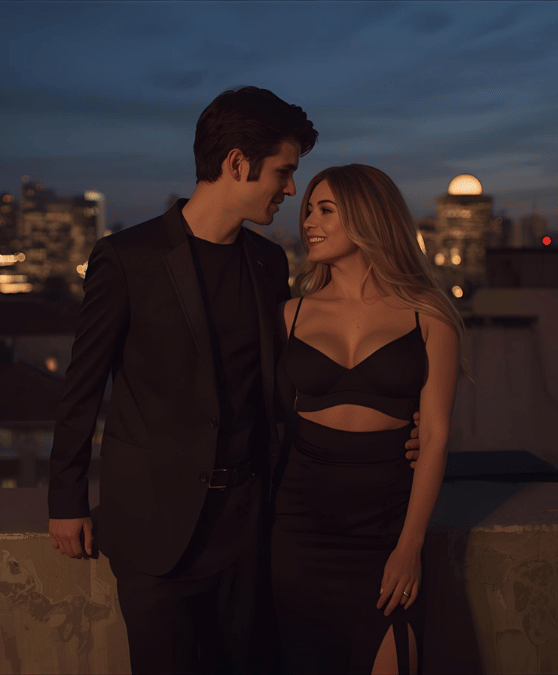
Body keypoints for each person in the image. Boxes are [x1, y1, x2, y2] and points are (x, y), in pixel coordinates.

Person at [48, 87, 424, 674]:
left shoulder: (267, 262)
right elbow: (83, 385)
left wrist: (400, 427)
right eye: (284, 171)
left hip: (251, 530)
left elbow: (296, 381)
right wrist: (65, 500)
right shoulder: (128, 257)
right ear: (237, 164)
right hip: (155, 529)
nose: (291, 189)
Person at [273, 164, 466, 674]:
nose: (309, 221)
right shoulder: (290, 314)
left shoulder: (430, 313)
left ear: (367, 218)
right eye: (308, 210)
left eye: (325, 210)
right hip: (298, 524)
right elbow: (268, 417)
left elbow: (438, 434)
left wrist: (410, 545)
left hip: (385, 526)